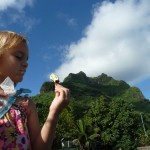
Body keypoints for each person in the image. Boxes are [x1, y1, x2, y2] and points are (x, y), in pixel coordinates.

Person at [0, 31, 70, 149]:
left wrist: (54, 112)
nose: (26, 64)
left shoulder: (26, 104)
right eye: (18, 57)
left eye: (26, 59)